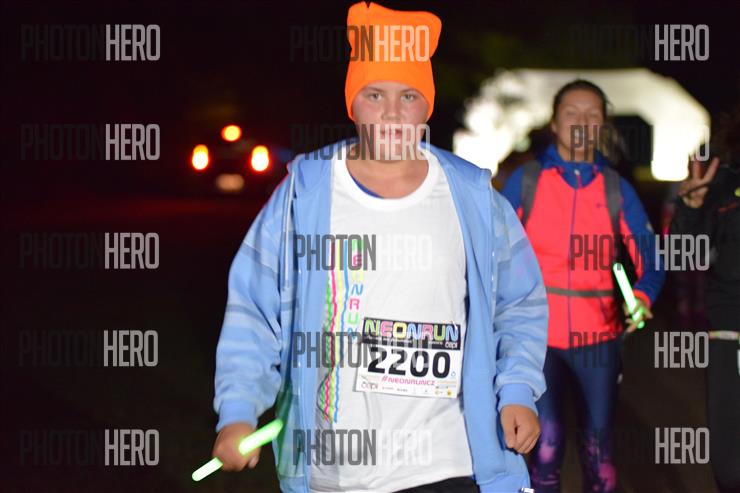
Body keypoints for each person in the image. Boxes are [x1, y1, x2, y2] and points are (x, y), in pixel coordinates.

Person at [209, 3, 548, 492]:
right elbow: (254, 310)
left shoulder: (471, 195)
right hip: (336, 469)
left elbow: (518, 303)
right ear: (353, 103)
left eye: (408, 95)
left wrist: (516, 389)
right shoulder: (306, 193)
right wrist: (239, 410)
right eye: (375, 94)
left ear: (427, 106)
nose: (392, 112)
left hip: (447, 463)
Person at [502, 79, 665, 493]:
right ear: (554, 124)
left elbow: (652, 258)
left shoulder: (616, 188)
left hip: (599, 340)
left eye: (592, 114)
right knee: (545, 448)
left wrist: (642, 296)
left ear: (602, 126)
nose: (581, 121)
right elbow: (490, 253)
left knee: (599, 456)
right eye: (571, 113)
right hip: (535, 338)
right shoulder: (526, 181)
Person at [670, 107, 740, 493]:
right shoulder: (722, 182)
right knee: (730, 469)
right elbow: (683, 257)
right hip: (730, 332)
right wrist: (691, 209)